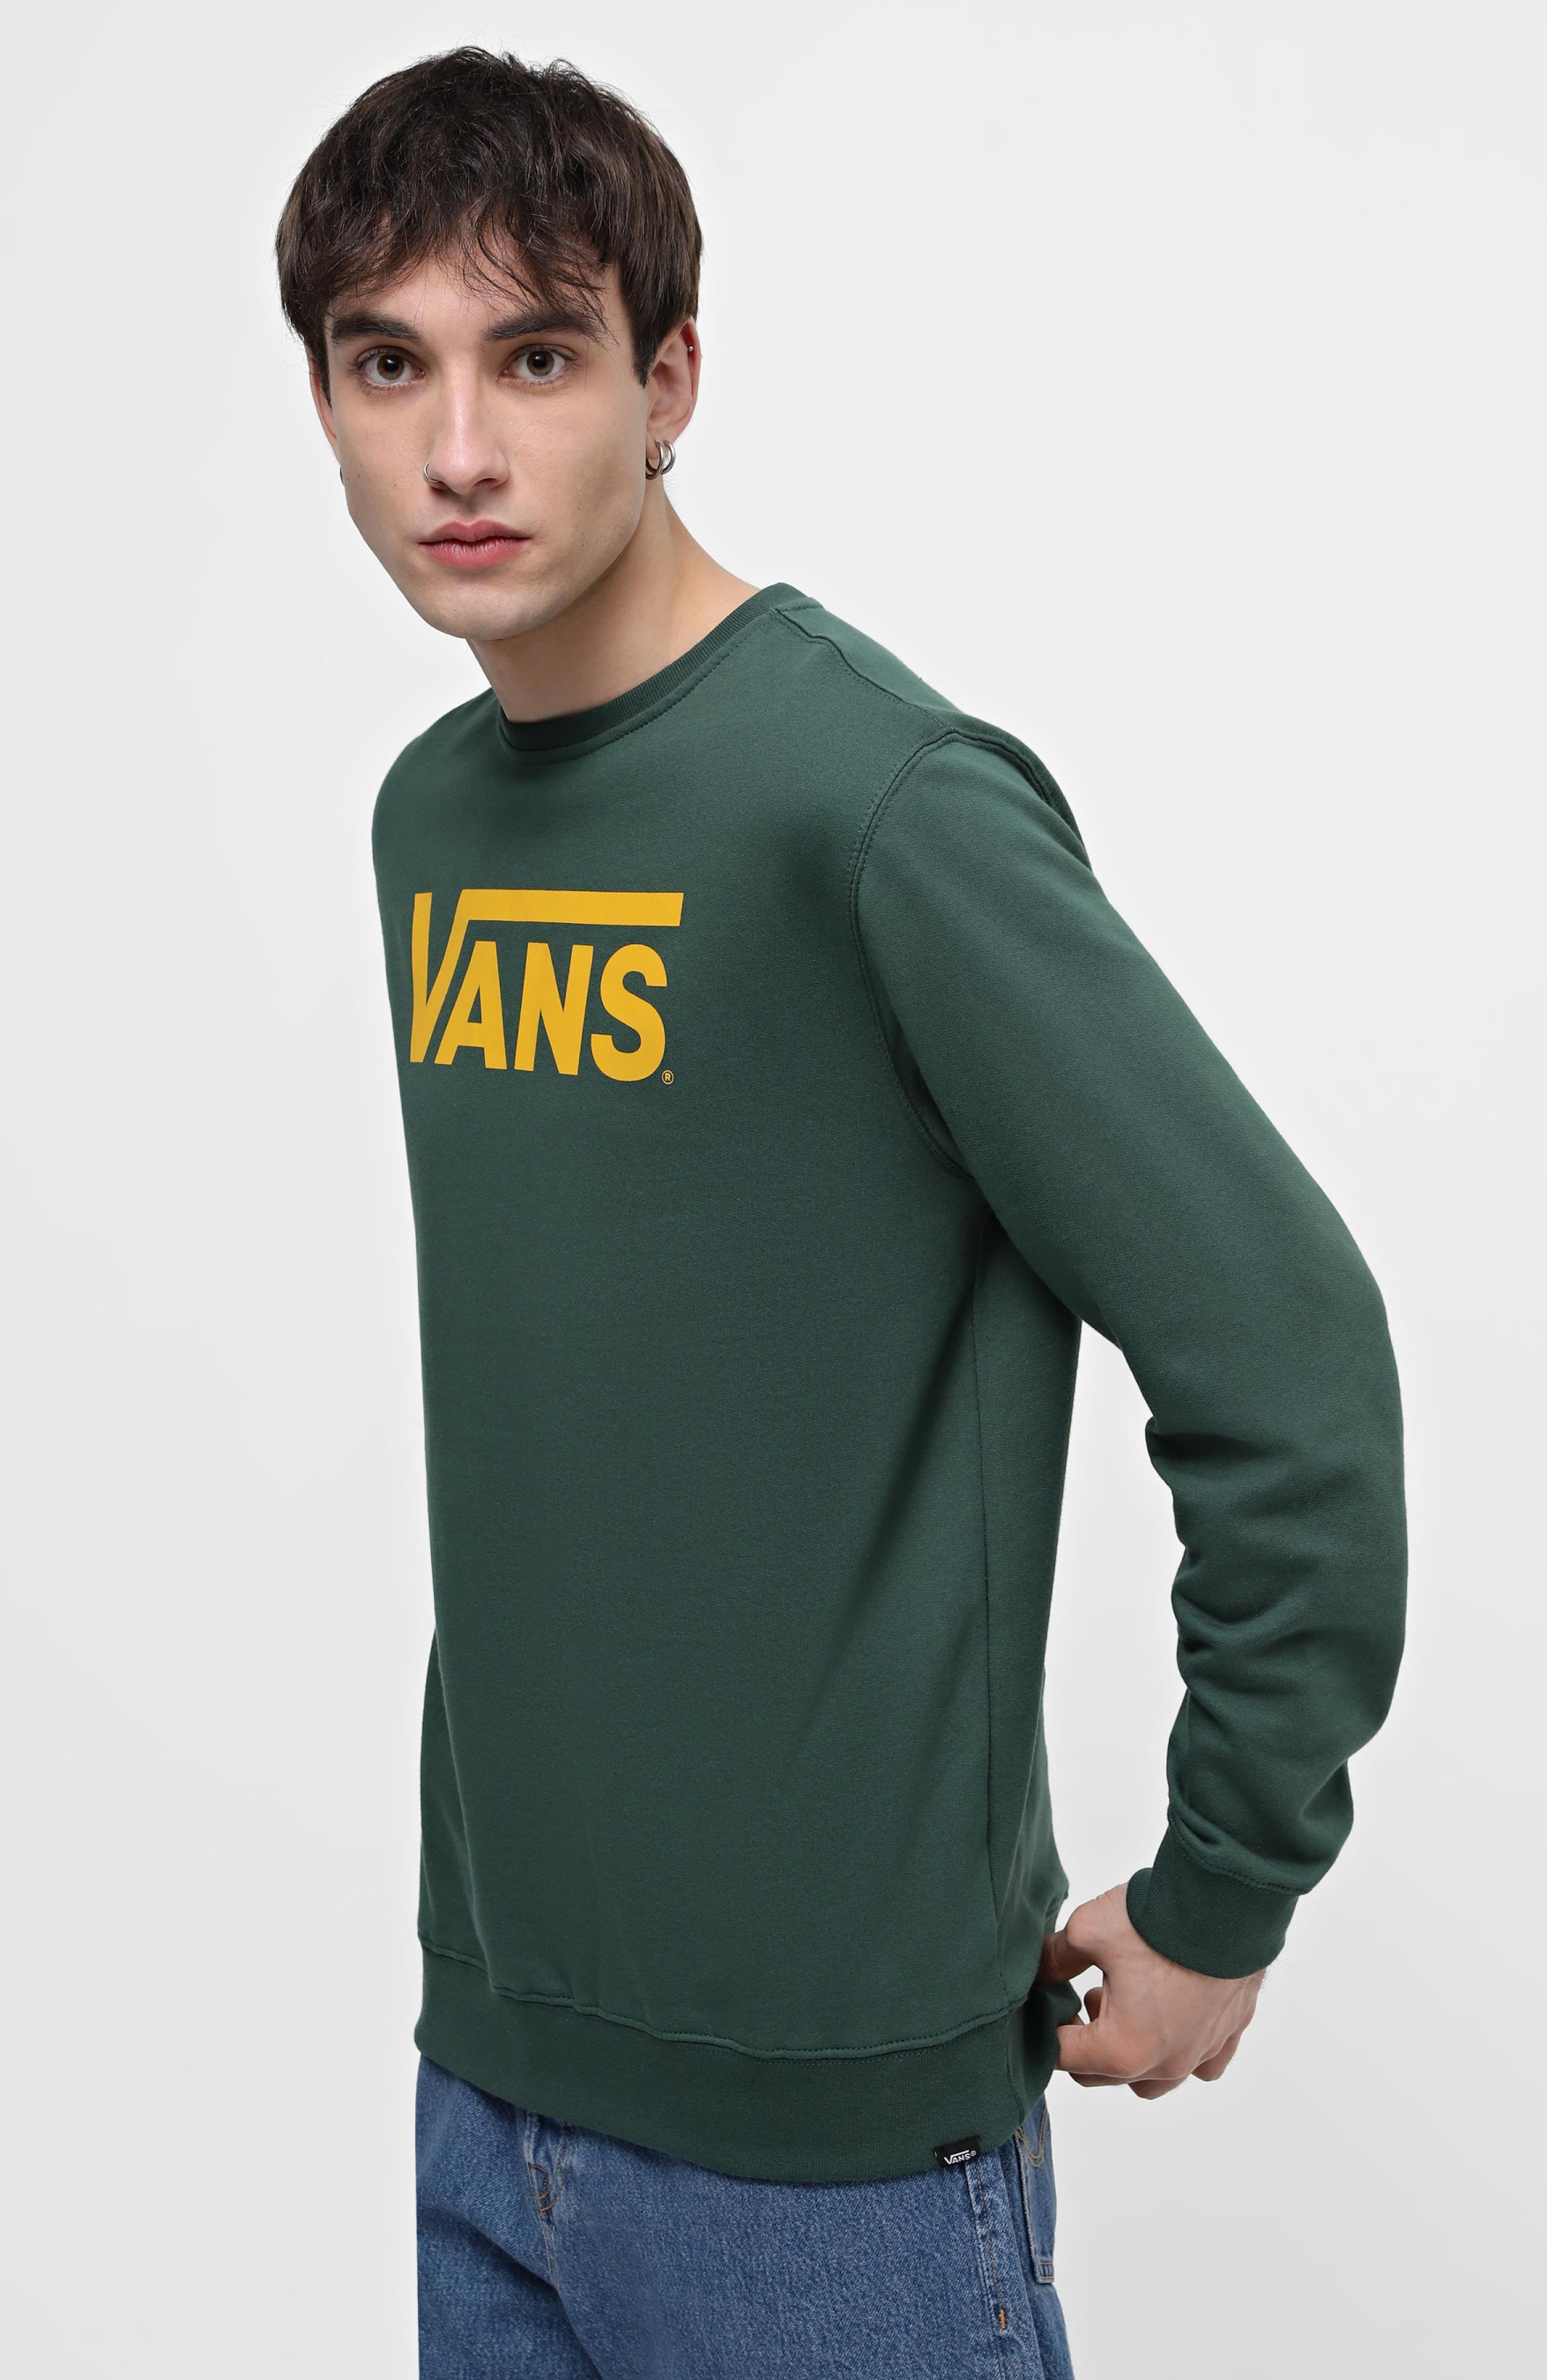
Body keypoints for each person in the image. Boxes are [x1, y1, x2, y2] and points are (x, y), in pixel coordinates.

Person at [274, 47, 1407, 2378]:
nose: (459, 449)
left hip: (831, 2170)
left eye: (536, 359)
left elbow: (1285, 1347)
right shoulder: (430, 822)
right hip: (491, 2084)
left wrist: (1225, 1885)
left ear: (669, 381)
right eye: (390, 366)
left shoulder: (875, 805)